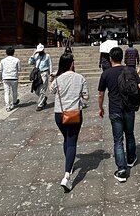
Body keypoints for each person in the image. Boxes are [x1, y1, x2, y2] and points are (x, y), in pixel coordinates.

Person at [98, 46, 140, 183]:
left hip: (115, 109)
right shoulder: (130, 70)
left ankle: (122, 170)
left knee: (118, 140)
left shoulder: (106, 74)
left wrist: (100, 108)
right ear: (122, 57)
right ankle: (131, 159)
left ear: (110, 58)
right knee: (130, 134)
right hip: (129, 108)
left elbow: (101, 94)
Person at [49, 53, 89, 192]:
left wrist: (53, 78)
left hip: (59, 114)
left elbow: (51, 91)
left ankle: (69, 163)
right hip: (74, 114)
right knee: (72, 141)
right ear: (72, 64)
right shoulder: (80, 78)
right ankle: (67, 176)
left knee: (66, 138)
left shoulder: (58, 79)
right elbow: (86, 97)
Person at [28, 43, 52, 111]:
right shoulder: (36, 56)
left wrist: (50, 74)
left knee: (42, 90)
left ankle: (40, 105)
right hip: (37, 74)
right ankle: (44, 98)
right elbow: (30, 63)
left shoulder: (47, 56)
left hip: (44, 73)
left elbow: (50, 65)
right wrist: (33, 54)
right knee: (36, 89)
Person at [0, 46, 21, 111]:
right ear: (13, 52)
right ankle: (14, 101)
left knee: (6, 92)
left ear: (6, 53)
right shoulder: (17, 60)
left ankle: (7, 106)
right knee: (14, 91)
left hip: (5, 77)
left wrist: (0, 79)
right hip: (14, 77)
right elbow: (19, 69)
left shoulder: (3, 60)